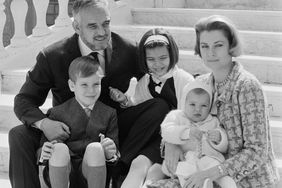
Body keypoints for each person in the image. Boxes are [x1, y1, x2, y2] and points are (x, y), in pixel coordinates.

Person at [9, 1, 171, 188]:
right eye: (93, 26)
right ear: (77, 27)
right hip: (67, 129)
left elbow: (158, 77)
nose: (102, 32)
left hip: (111, 128)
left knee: (160, 107)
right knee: (18, 134)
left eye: (106, 23)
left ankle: (118, 167)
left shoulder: (128, 50)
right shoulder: (52, 56)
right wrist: (45, 124)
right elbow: (23, 100)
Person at [148, 15, 280, 188]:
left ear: (231, 46)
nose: (210, 53)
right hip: (203, 171)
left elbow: (257, 152)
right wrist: (171, 144)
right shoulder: (201, 84)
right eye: (204, 46)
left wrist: (210, 173)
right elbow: (181, 121)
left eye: (218, 45)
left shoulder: (247, 86)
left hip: (247, 181)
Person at [109, 28, 194, 188]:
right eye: (151, 59)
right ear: (144, 59)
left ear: (172, 55)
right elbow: (138, 105)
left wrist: (173, 142)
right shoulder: (146, 81)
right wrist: (125, 101)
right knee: (137, 164)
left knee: (152, 170)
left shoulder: (184, 80)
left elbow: (189, 118)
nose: (157, 64)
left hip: (172, 139)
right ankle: (120, 168)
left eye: (163, 58)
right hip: (151, 135)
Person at [38, 55, 118, 188]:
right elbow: (42, 148)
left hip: (93, 171)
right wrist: (44, 152)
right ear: (72, 85)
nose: (91, 91)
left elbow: (115, 153)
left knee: (95, 148)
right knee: (58, 148)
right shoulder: (56, 112)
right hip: (63, 171)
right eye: (84, 85)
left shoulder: (109, 113)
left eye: (96, 84)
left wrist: (111, 155)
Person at [146, 80, 236, 188]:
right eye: (192, 104)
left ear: (210, 106)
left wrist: (219, 138)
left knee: (219, 171)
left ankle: (229, 185)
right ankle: (201, 186)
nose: (197, 109)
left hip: (209, 158)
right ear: (184, 103)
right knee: (184, 171)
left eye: (204, 106)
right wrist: (185, 133)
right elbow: (166, 130)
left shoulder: (213, 121)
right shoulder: (177, 116)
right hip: (185, 159)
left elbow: (225, 147)